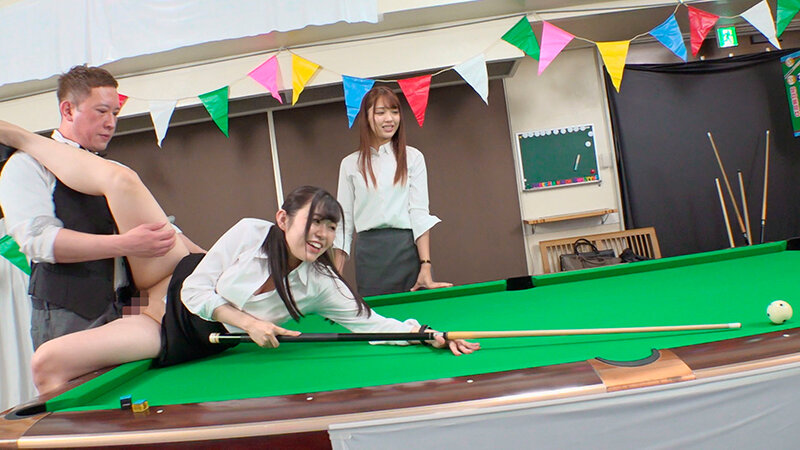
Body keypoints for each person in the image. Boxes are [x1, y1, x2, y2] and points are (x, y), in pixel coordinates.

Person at [0, 120, 479, 394]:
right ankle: (21, 137)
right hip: (174, 272)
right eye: (314, 222)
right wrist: (246, 322)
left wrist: (429, 335)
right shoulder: (252, 232)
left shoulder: (321, 284)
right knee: (122, 180)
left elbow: (371, 324)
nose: (321, 235)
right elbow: (194, 288)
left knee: (48, 363)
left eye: (331, 227)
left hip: (165, 327)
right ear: (283, 219)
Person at [0, 65, 200, 350]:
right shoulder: (26, 165)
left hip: (126, 309)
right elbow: (40, 242)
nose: (111, 123)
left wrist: (214, 264)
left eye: (115, 113)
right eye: (102, 111)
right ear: (68, 110)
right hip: (68, 313)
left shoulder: (113, 171)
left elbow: (165, 230)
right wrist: (125, 244)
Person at [335, 86, 450, 296]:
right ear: (366, 117)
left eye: (394, 112)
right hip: (369, 255)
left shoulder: (413, 157)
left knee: (415, 314)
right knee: (376, 315)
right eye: (381, 112)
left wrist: (425, 264)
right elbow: (344, 223)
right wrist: (336, 277)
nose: (389, 119)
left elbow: (419, 213)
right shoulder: (349, 164)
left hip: (406, 250)